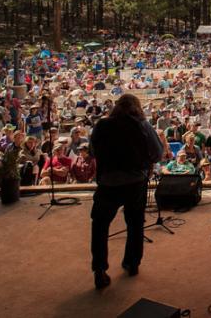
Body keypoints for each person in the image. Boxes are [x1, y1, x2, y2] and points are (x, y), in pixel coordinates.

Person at [89, 94, 163, 290]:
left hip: (108, 183)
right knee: (135, 223)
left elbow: (92, 151)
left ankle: (99, 269)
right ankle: (132, 263)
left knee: (100, 225)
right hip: (135, 182)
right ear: (136, 108)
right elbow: (157, 153)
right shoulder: (142, 125)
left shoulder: (102, 125)